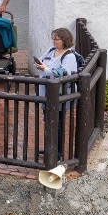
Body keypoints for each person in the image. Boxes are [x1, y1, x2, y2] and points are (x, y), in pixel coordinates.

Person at [34, 28, 78, 156]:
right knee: (47, 121)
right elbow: (42, 60)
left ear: (64, 40)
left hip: (58, 94)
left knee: (57, 123)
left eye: (56, 39)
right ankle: (49, 148)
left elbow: (62, 73)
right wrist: (39, 64)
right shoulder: (51, 50)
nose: (54, 41)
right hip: (46, 91)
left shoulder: (69, 56)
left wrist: (45, 69)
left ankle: (57, 152)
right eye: (52, 38)